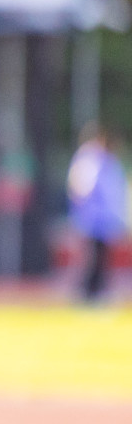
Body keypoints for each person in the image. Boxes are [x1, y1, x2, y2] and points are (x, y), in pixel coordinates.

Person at [67, 124, 127, 303]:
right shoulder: (90, 158)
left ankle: (96, 291)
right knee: (94, 257)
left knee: (101, 257)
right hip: (93, 218)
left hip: (103, 218)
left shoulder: (105, 159)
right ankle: (88, 292)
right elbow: (81, 187)